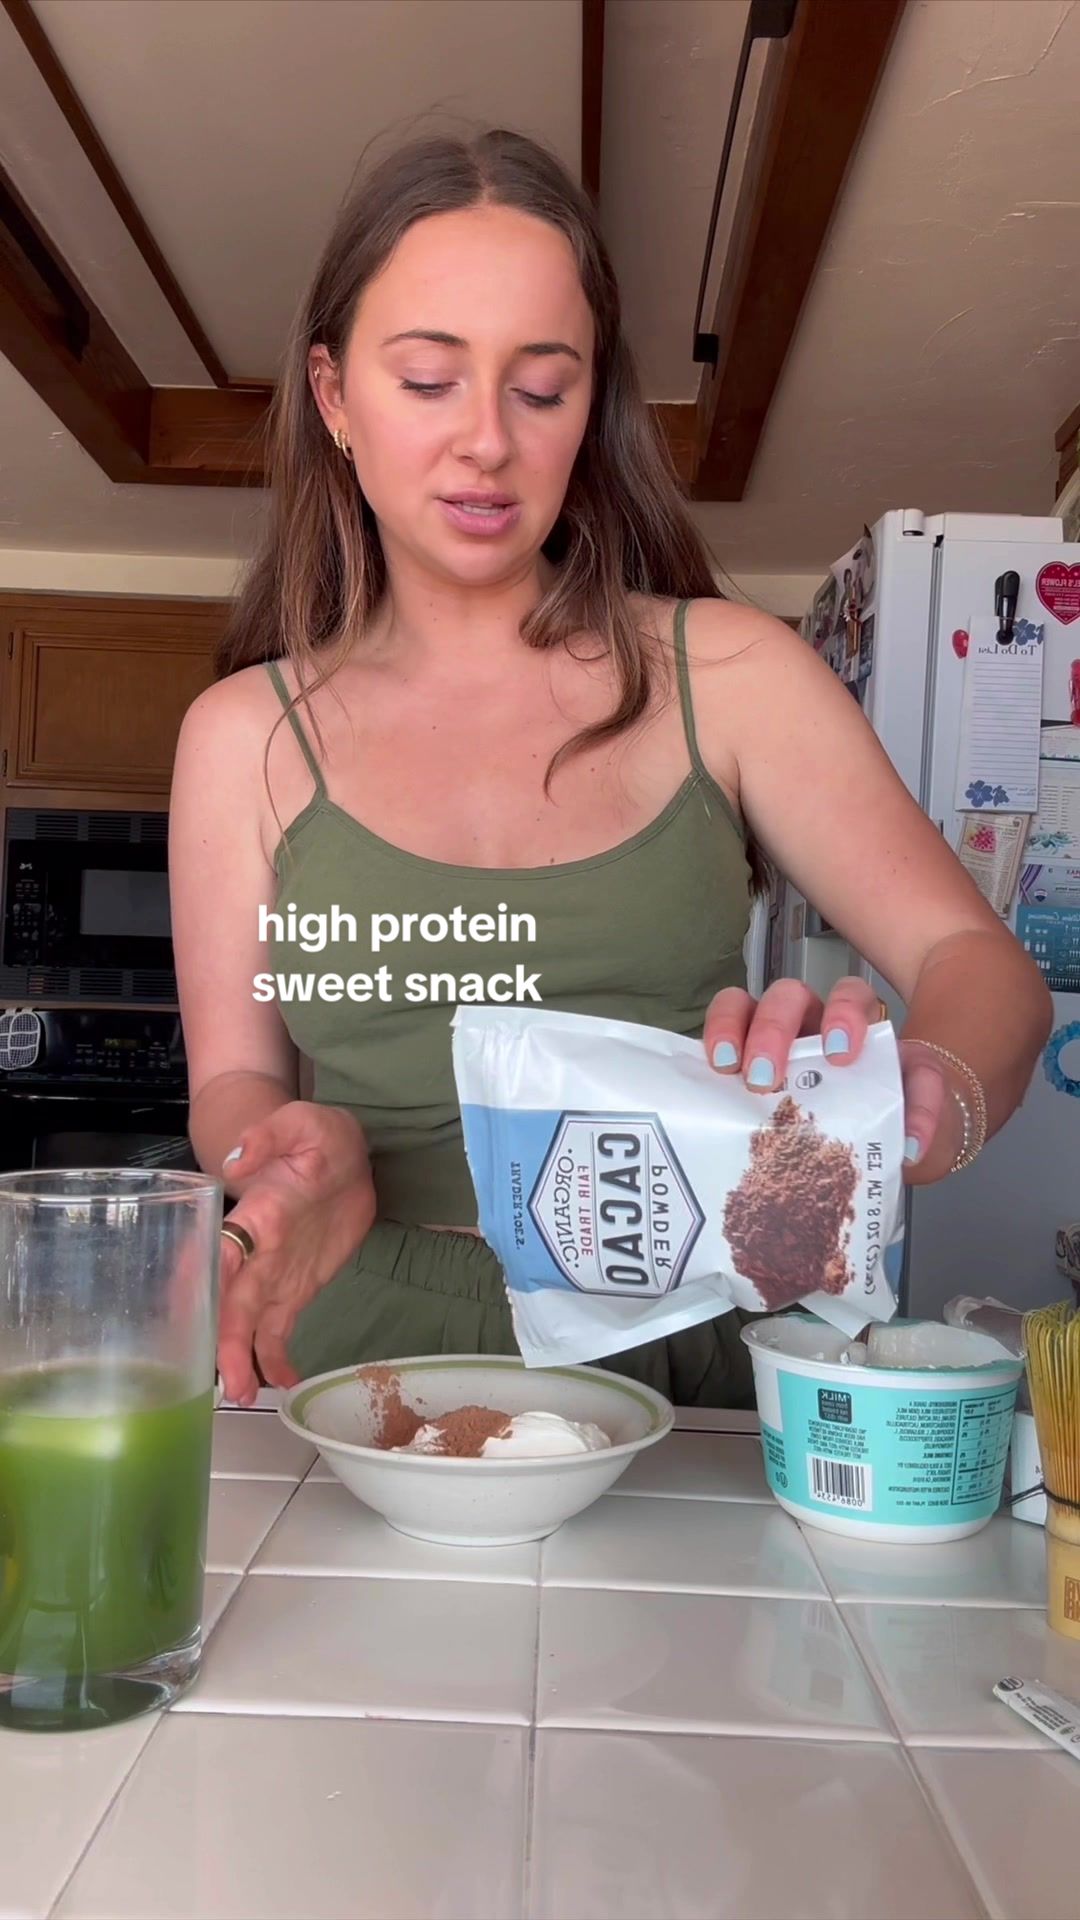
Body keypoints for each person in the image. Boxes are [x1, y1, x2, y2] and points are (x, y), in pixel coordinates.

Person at [169, 129, 1052, 1409]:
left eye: (541, 389)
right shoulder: (241, 735)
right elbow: (233, 1081)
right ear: (335, 395)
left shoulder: (731, 675)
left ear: (591, 410)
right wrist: (288, 1153)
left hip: (688, 1334)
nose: (486, 440)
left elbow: (984, 968)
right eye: (428, 380)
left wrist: (915, 1100)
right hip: (362, 1348)